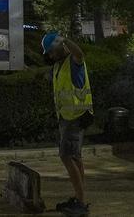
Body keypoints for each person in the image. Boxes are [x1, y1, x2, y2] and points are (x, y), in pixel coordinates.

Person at [43, 31, 92, 216]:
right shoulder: (58, 66)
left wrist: (65, 40)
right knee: (75, 158)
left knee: (66, 156)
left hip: (75, 116)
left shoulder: (73, 61)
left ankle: (80, 203)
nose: (50, 55)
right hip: (67, 117)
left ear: (59, 47)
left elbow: (80, 54)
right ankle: (79, 199)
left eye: (51, 51)